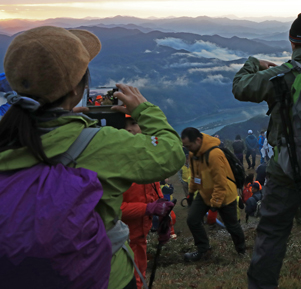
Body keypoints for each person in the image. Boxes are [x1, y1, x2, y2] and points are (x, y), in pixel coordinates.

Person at [0, 26, 185, 289]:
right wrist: (145, 109)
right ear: (77, 89)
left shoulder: (7, 136)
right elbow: (171, 152)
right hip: (103, 276)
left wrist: (64, 116)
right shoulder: (100, 145)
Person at [232, 9, 301, 289]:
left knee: (272, 233)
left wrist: (253, 62)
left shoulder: (282, 75)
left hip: (284, 172)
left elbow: (240, 87)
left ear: (293, 42)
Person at [121, 117, 174, 289]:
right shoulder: (111, 164)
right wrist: (148, 208)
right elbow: (108, 209)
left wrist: (165, 220)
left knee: (139, 277)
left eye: (134, 124)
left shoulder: (144, 159)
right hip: (117, 242)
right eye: (124, 125)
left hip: (138, 236)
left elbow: (155, 192)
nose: (129, 129)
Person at [181, 128, 246, 261]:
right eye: (186, 147)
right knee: (192, 219)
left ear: (198, 140)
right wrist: (191, 193)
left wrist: (214, 206)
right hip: (205, 192)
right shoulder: (194, 153)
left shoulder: (214, 154)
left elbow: (220, 183)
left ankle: (242, 250)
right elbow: (194, 175)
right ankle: (204, 250)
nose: (188, 149)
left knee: (232, 225)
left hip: (225, 195)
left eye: (189, 146)